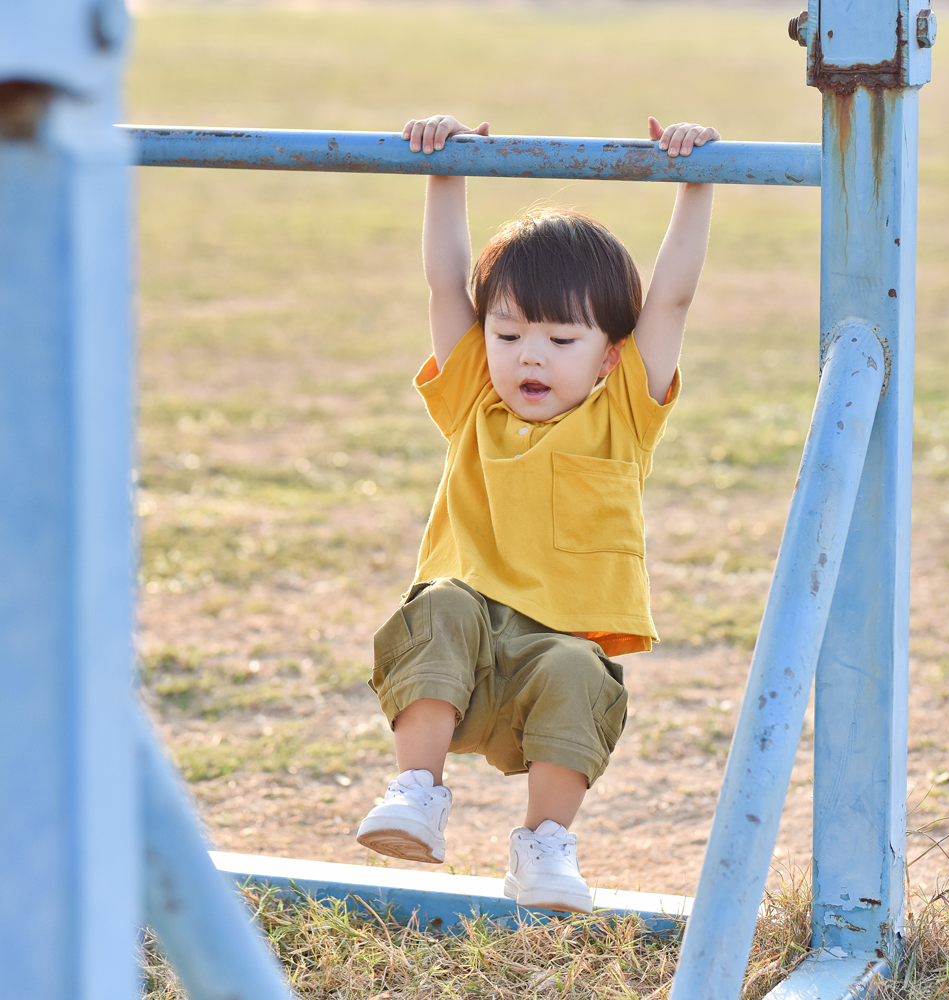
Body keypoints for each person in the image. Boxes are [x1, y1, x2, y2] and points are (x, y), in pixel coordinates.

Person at [356, 113, 719, 913]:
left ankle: (544, 848)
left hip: (549, 671)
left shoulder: (624, 412)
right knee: (443, 600)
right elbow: (446, 283)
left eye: (560, 339)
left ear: (610, 354)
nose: (528, 355)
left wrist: (697, 180)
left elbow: (675, 297)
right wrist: (443, 168)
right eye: (510, 332)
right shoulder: (472, 404)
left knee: (579, 670)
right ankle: (418, 788)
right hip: (464, 664)